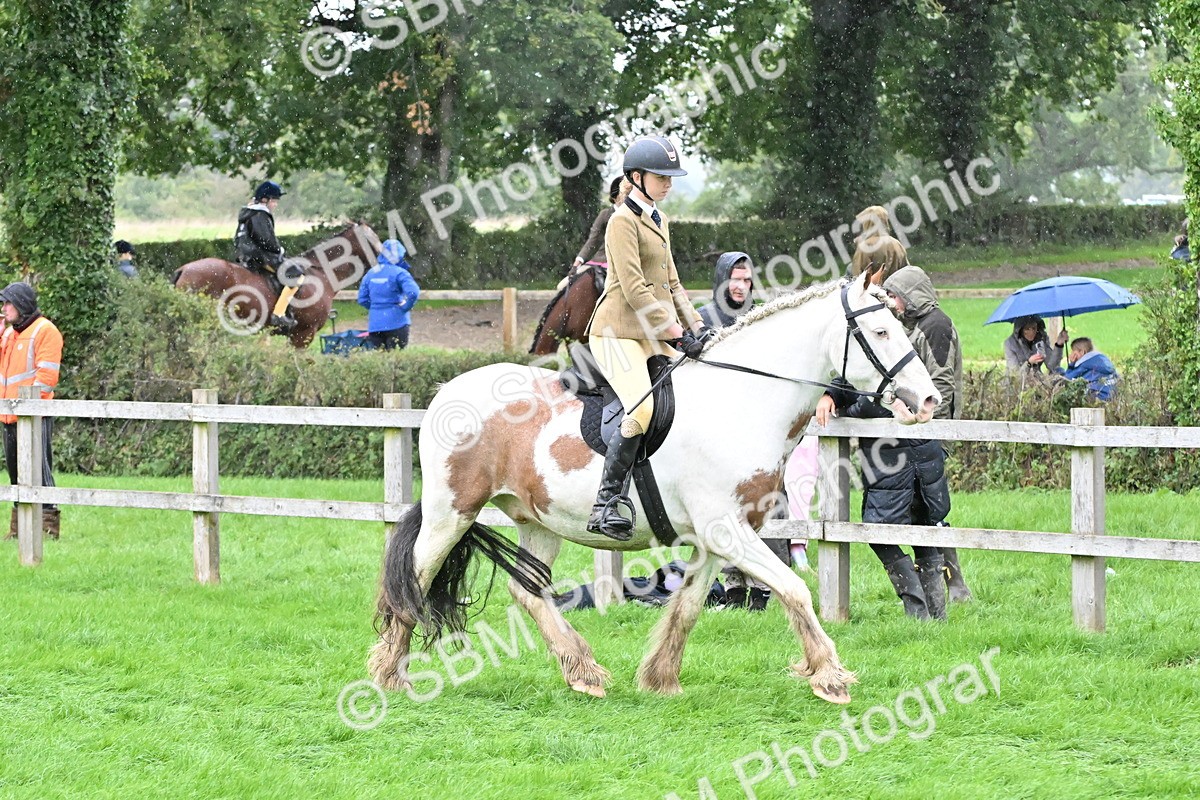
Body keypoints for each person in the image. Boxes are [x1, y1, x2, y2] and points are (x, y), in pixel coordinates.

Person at [584, 135, 711, 540]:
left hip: (649, 333)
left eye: (671, 177)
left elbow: (673, 284)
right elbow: (636, 289)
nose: (668, 184)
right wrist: (675, 333)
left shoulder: (659, 218)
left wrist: (700, 330)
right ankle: (606, 503)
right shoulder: (621, 221)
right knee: (640, 410)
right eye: (661, 177)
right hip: (616, 332)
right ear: (636, 177)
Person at [883, 265, 973, 607]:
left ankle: (954, 582)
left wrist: (929, 424)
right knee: (922, 506)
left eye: (895, 296)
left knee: (930, 506)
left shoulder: (935, 325)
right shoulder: (914, 325)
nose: (891, 302)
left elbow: (942, 380)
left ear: (910, 295)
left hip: (930, 430)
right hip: (918, 430)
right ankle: (943, 582)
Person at [0, 282, 62, 540]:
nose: (3, 309)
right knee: (16, 472)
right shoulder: (8, 334)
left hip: (33, 415)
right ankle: (19, 530)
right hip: (8, 414)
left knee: (39, 471)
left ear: (22, 305)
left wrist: (29, 408)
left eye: (7, 303)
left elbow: (47, 376)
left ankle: (47, 529)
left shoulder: (45, 330)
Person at [234, 180, 300, 333]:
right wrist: (279, 250)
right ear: (265, 200)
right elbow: (267, 241)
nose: (275, 204)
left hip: (246, 255)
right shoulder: (259, 214)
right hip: (259, 257)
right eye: (274, 201)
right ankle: (279, 314)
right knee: (296, 276)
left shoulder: (247, 212)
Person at [560, 177, 624, 292]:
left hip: (624, 264)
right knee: (562, 286)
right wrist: (577, 263)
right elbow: (592, 240)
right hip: (601, 261)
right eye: (624, 193)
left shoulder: (635, 215)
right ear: (615, 196)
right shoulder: (605, 215)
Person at [357, 239, 420, 350]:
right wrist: (405, 307)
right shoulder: (400, 272)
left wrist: (376, 308)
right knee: (396, 361)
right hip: (397, 323)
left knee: (380, 361)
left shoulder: (371, 273)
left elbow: (362, 299)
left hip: (375, 326)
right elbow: (413, 292)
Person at [849, 205, 909, 282]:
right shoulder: (897, 244)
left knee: (849, 268)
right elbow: (906, 271)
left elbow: (857, 277)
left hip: (871, 291)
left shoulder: (866, 246)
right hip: (893, 291)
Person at [697, 251, 755, 329]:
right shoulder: (699, 320)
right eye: (736, 280)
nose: (742, 287)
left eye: (747, 280)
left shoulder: (758, 316)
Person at [1005, 315, 1068, 383]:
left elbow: (1052, 366)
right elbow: (1015, 376)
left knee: (1060, 372)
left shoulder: (1041, 339)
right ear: (1020, 330)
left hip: (1036, 381)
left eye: (1034, 328)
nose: (1031, 332)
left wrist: (1059, 345)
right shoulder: (1010, 344)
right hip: (1016, 385)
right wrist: (1029, 363)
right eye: (1027, 329)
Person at [1063, 337, 1119, 401]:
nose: (1071, 354)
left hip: (1095, 398)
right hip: (1112, 397)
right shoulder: (1105, 361)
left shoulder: (1084, 365)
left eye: (1073, 351)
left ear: (1082, 352)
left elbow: (1066, 381)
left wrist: (1071, 365)